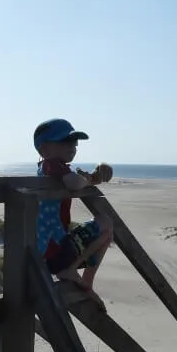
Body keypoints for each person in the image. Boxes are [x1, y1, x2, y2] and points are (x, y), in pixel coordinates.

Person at [33, 118, 114, 309]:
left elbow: (79, 180)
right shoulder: (51, 164)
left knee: (106, 226)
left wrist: (98, 170)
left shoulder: (51, 169)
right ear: (45, 149)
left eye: (74, 142)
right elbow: (75, 183)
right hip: (54, 251)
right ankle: (77, 275)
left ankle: (77, 275)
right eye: (65, 141)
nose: (72, 146)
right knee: (106, 223)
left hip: (51, 251)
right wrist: (87, 179)